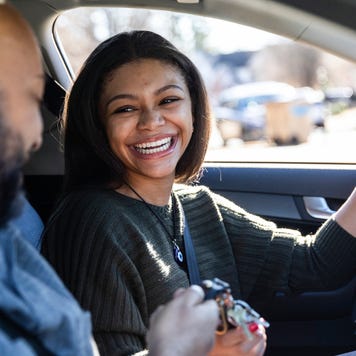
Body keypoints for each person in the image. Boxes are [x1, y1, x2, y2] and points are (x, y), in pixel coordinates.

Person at [40, 29, 356, 355]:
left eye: (168, 100)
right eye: (125, 109)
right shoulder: (91, 224)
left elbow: (313, 265)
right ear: (98, 124)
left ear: (193, 110)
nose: (152, 121)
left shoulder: (198, 207)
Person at [0, 3, 220, 355]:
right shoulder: (89, 222)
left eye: (169, 100)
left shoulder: (9, 242)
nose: (37, 135)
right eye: (29, 99)